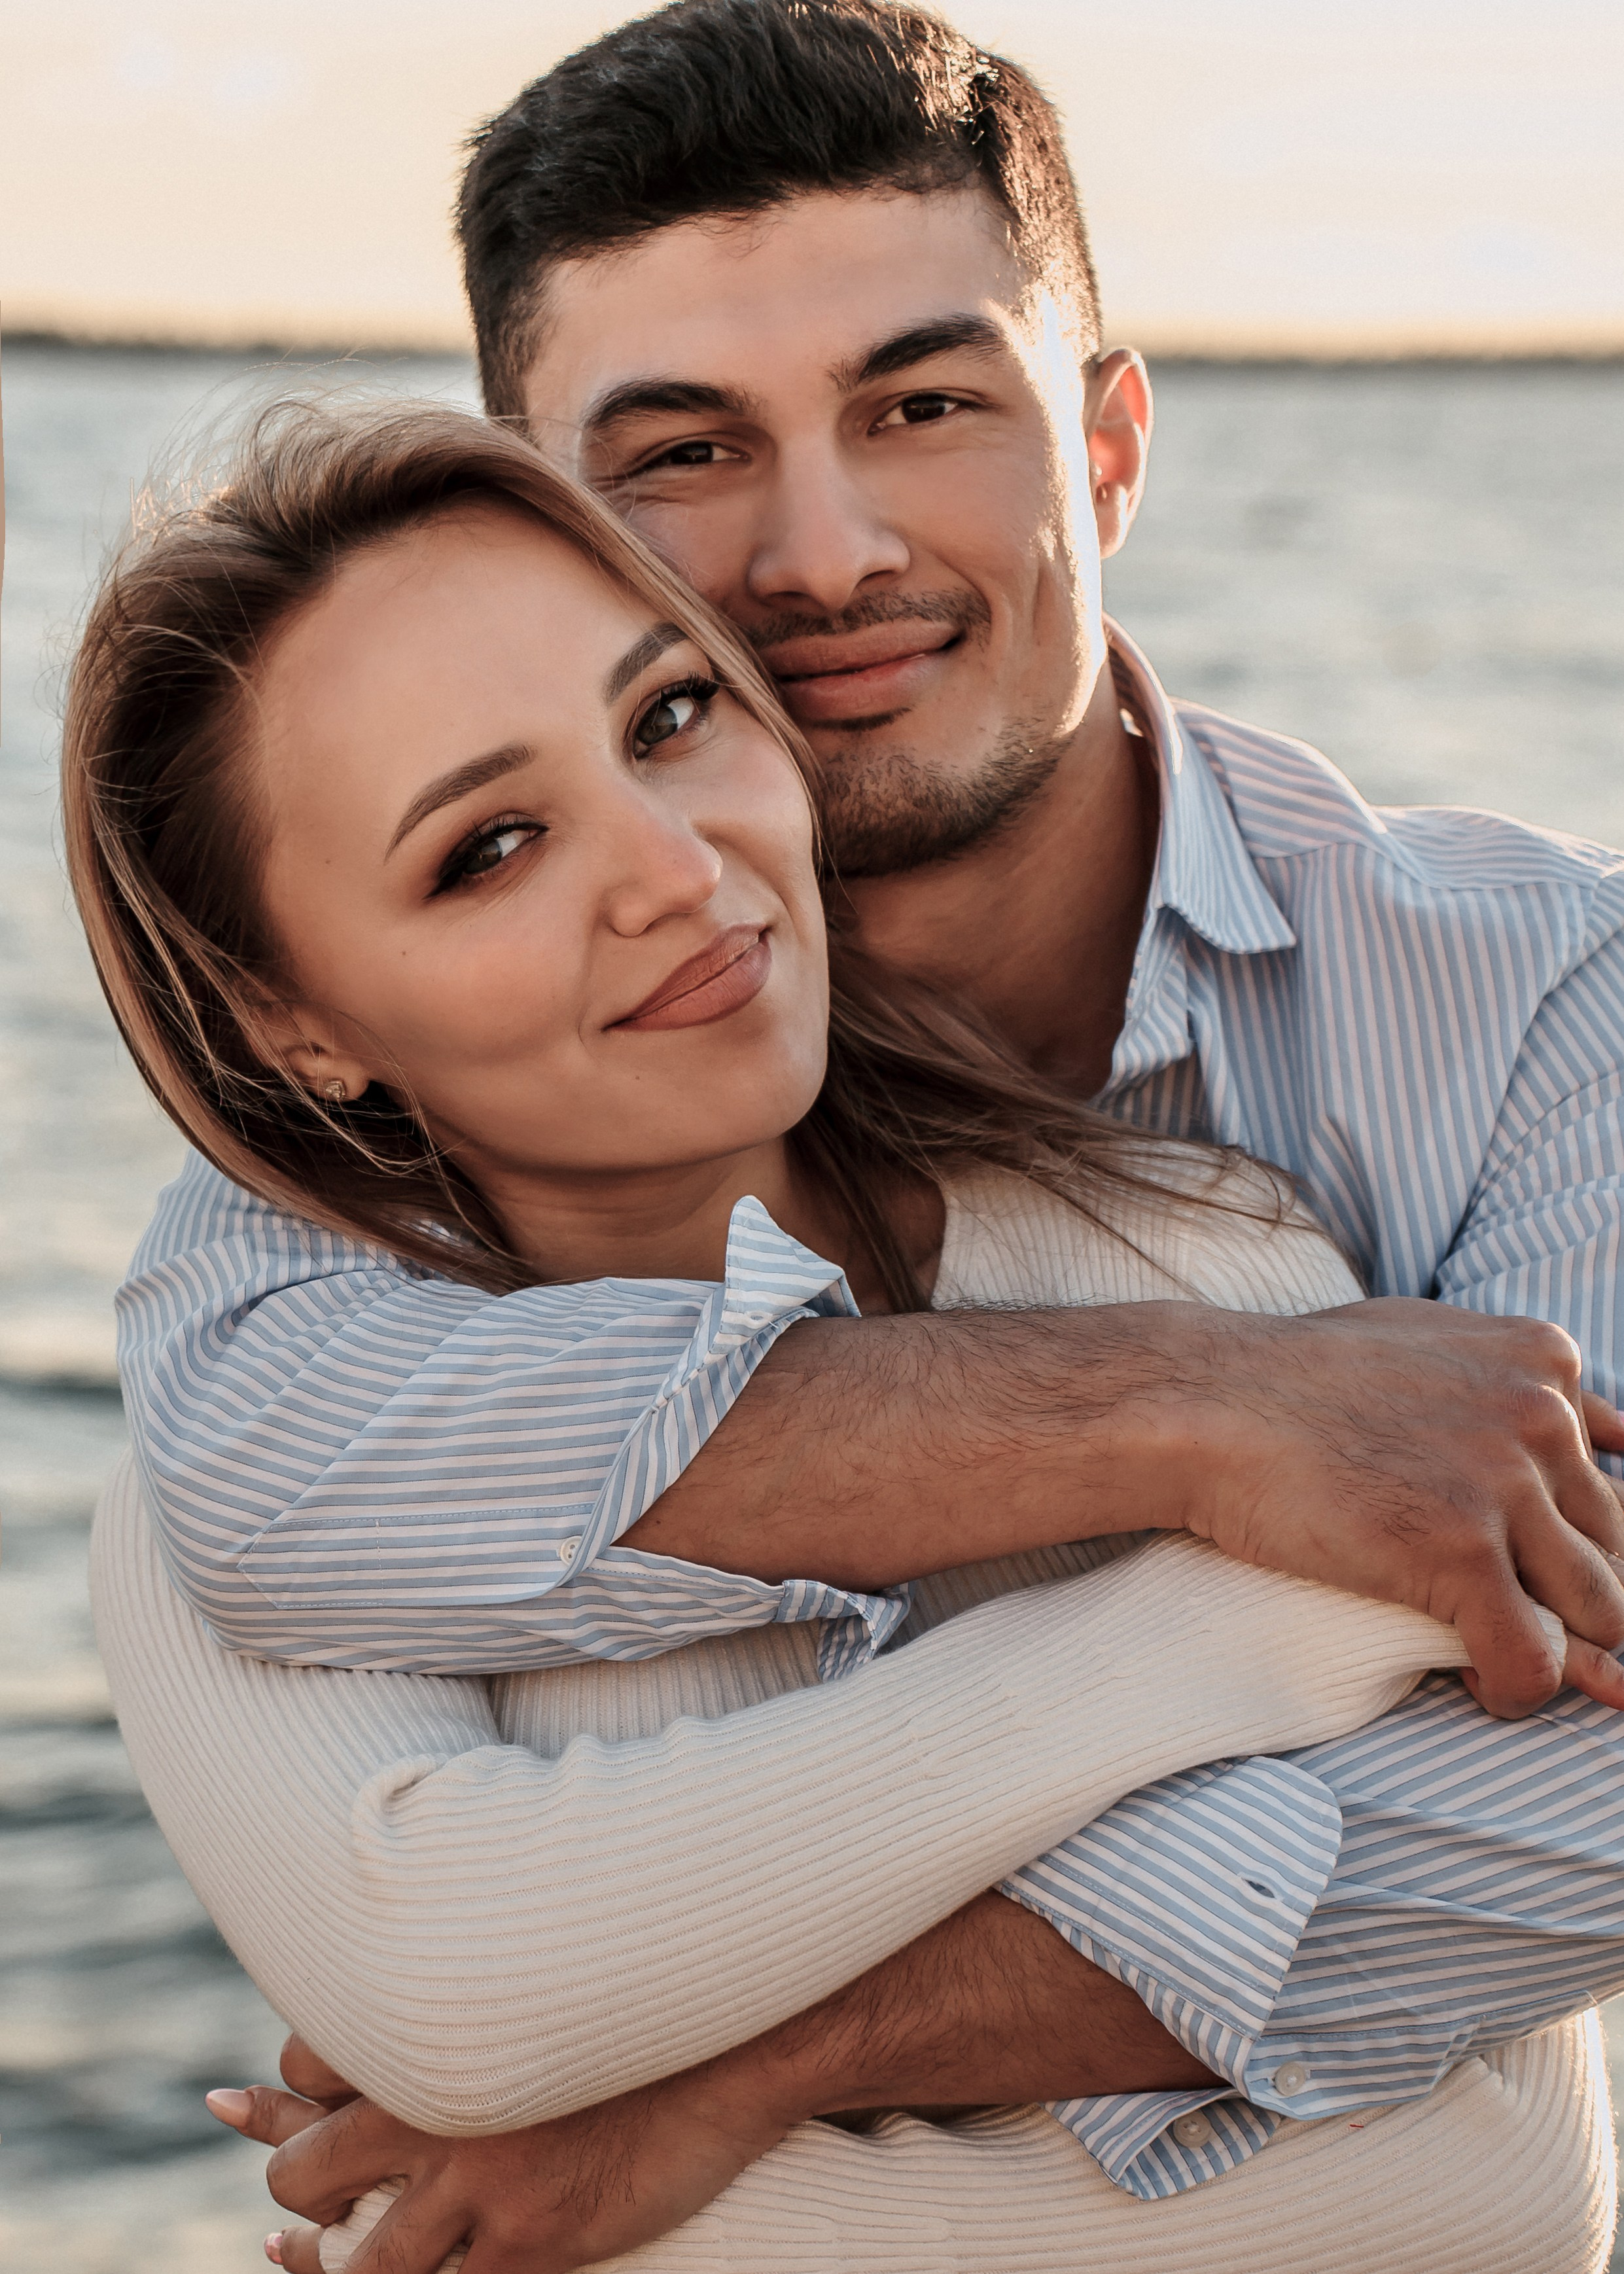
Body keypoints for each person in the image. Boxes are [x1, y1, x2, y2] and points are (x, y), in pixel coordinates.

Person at [87, 0, 1624, 2256]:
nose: (819, 555)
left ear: (1100, 452)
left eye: (918, 407)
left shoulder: (1529, 1005)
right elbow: (260, 1467)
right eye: (685, 452)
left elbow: (1588, 1807)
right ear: (548, 523)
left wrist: (739, 2065)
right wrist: (1225, 1442)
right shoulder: (395, 1157)